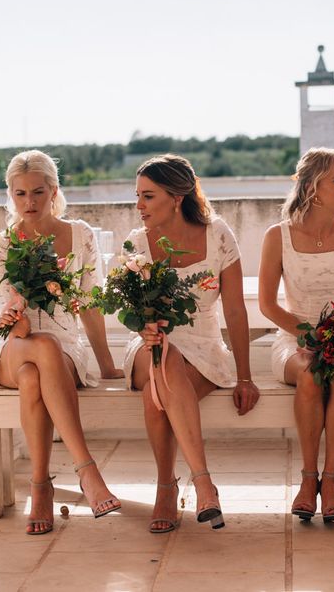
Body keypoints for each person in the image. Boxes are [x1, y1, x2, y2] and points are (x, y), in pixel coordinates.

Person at [0, 150, 124, 535]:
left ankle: (41, 487)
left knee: (35, 373)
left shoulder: (80, 235)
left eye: (38, 192)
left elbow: (90, 305)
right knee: (37, 349)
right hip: (12, 344)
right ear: (10, 195)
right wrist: (17, 316)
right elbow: (10, 311)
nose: (29, 202)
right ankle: (87, 471)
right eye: (20, 194)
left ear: (53, 191)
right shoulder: (2, 243)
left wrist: (107, 364)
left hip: (64, 349)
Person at [122, 154, 260, 533]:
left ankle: (166, 489)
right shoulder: (137, 244)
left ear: (176, 195)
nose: (139, 206)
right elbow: (133, 311)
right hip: (150, 345)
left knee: (157, 392)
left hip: (203, 347)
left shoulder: (217, 234)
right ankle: (203, 483)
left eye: (148, 196)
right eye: (138, 196)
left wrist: (245, 377)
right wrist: (145, 329)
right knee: (163, 354)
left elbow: (234, 310)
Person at [259, 147, 334, 523]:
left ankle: (331, 481)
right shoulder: (276, 236)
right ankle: (308, 479)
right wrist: (309, 335)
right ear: (312, 186)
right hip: (294, 339)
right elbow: (268, 305)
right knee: (312, 372)